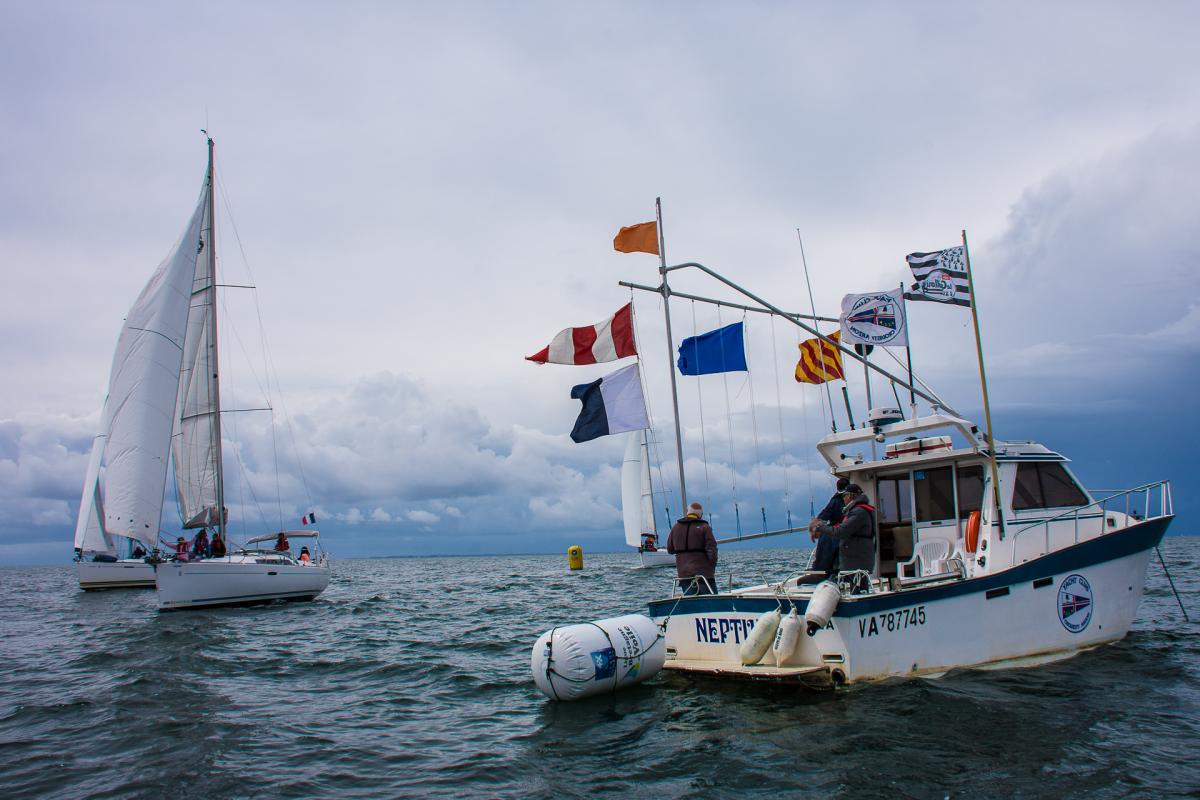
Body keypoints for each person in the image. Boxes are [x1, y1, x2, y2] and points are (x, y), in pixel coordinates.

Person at [810, 483, 877, 592]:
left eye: (844, 496)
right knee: (858, 587)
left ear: (850, 496)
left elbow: (840, 532)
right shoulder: (863, 511)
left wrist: (820, 527)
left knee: (857, 589)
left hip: (856, 561)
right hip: (859, 559)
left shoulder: (858, 513)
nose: (843, 499)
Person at [666, 501, 718, 595]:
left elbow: (670, 549)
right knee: (711, 599)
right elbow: (712, 551)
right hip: (704, 574)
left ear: (687, 512)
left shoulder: (675, 527)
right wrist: (712, 566)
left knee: (690, 599)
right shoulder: (704, 527)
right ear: (700, 514)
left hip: (684, 574)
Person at [807, 477, 849, 580]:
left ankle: (821, 571)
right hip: (845, 536)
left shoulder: (835, 501)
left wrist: (814, 528)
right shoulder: (852, 503)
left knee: (827, 541)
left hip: (836, 535)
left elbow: (823, 515)